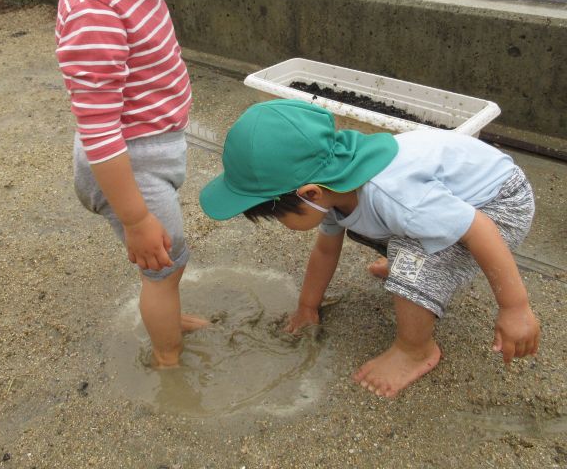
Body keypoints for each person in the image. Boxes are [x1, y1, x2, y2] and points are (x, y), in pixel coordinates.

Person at [199, 99, 540, 397]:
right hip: (451, 202)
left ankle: (416, 349)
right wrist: (307, 305)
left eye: (277, 216)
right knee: (380, 232)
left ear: (310, 194)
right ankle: (415, 259)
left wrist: (514, 308)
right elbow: (326, 250)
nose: (279, 224)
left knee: (412, 265)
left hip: (499, 207)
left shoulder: (393, 192)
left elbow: (479, 228)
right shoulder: (337, 182)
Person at [55, 0, 241, 367]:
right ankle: (167, 356)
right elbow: (98, 130)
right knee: (163, 263)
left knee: (169, 264)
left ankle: (167, 307)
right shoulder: (96, 11)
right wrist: (135, 219)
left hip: (146, 158)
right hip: (126, 168)